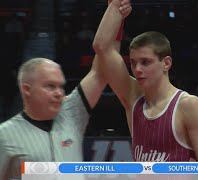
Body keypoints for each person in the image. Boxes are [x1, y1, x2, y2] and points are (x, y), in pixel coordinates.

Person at [0, 1, 132, 179]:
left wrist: (116, 13)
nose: (59, 93)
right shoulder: (5, 136)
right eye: (50, 86)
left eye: (61, 86)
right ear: (26, 89)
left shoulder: (71, 111)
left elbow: (101, 71)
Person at [93, 0, 198, 162]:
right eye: (133, 62)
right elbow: (101, 47)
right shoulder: (133, 98)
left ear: (166, 63)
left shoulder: (189, 106)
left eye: (145, 62)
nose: (137, 69)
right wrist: (116, 7)